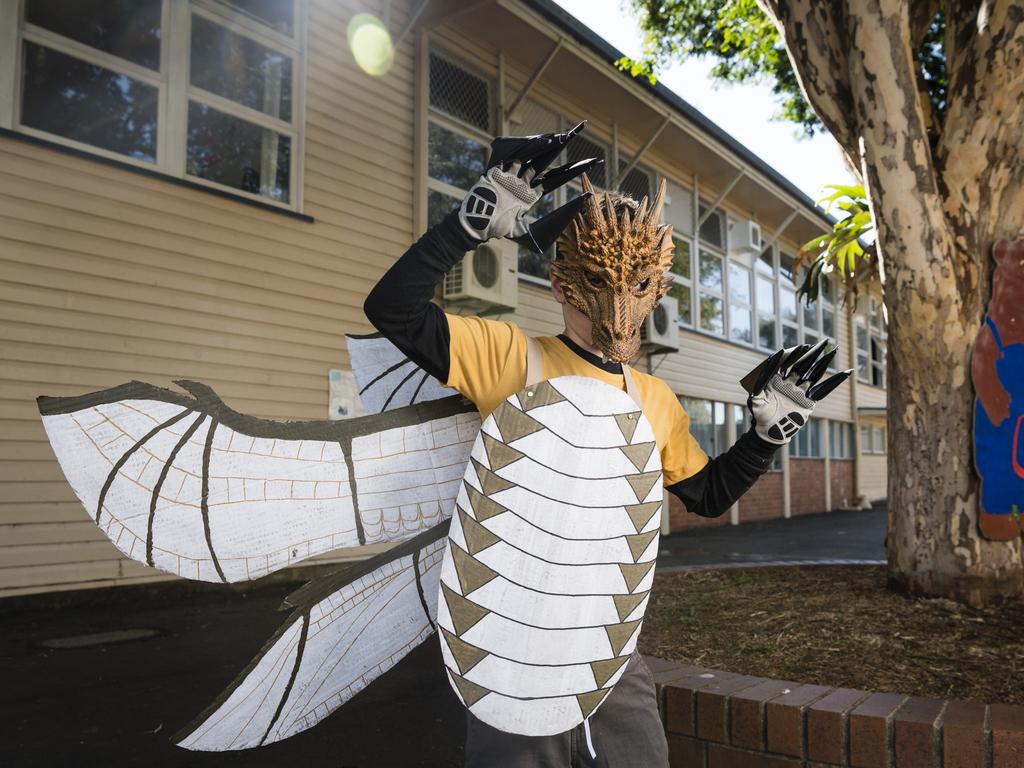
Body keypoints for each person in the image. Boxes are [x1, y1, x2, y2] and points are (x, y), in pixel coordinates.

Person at [364, 124, 847, 767]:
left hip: (607, 649)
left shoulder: (655, 397)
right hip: (513, 643)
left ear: (658, 288)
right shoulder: (511, 357)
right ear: (562, 286)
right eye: (597, 289)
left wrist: (761, 438)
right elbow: (391, 310)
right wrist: (469, 222)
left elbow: (705, 494)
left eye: (639, 289)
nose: (618, 317)